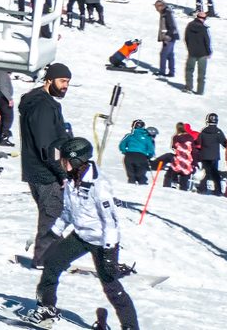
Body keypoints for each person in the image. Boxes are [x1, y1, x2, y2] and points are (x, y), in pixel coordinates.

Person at [26, 136, 141, 329]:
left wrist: (109, 252)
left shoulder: (99, 185)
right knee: (52, 264)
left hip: (102, 241)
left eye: (65, 160)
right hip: (80, 236)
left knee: (111, 286)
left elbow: (111, 221)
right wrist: (53, 232)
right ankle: (46, 310)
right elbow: (68, 212)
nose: (62, 164)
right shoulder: (71, 181)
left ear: (76, 161)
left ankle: (130, 326)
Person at [20, 61, 74, 265]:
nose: (65, 86)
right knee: (51, 215)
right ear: (49, 80)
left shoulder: (42, 103)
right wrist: (61, 172)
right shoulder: (42, 106)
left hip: (40, 168)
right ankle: (44, 260)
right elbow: (47, 144)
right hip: (45, 170)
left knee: (53, 213)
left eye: (68, 82)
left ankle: (54, 257)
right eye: (62, 81)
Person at [117, 119, 156, 185]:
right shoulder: (147, 137)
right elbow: (150, 148)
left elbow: (122, 144)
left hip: (129, 156)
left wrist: (124, 151)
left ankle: (131, 189)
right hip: (141, 157)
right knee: (140, 175)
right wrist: (149, 156)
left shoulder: (129, 136)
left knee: (131, 175)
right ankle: (143, 188)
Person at [183, 11, 212, 95]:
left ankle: (189, 87)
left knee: (189, 70)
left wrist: (189, 48)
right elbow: (206, 41)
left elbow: (186, 38)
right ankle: (200, 90)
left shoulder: (190, 25)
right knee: (201, 72)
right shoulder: (203, 28)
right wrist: (208, 52)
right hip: (202, 53)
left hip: (192, 52)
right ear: (202, 19)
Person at [154, 0, 179, 79]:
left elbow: (171, 27)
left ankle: (162, 72)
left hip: (169, 38)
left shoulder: (166, 13)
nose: (156, 10)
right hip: (172, 37)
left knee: (163, 54)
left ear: (160, 6)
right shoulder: (165, 13)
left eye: (156, 8)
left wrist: (167, 37)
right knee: (170, 55)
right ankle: (171, 72)